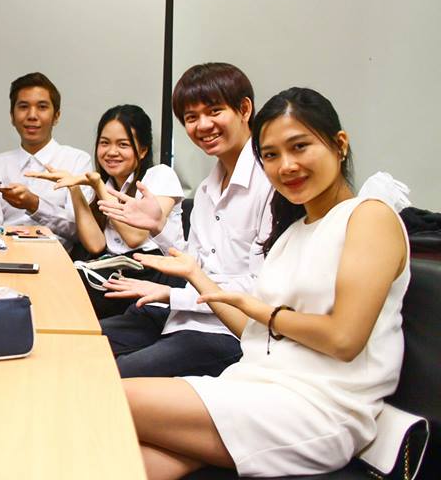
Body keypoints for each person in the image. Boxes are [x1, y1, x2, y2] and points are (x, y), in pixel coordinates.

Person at [123, 87, 410, 479]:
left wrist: (264, 312)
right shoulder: (292, 233)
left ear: (339, 144)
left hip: (317, 408)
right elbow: (255, 335)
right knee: (116, 456)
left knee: (105, 397)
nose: (286, 166)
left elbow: (344, 339)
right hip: (254, 384)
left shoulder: (368, 216)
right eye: (271, 155)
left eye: (299, 147)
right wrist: (197, 276)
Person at [97, 63, 273, 377]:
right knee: (82, 342)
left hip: (226, 332)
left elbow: (260, 287)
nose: (203, 125)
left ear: (245, 109)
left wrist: (172, 294)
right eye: (191, 118)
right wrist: (158, 228)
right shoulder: (207, 188)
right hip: (181, 316)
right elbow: (195, 263)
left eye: (215, 111)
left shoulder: (270, 183)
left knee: (113, 375)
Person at [26, 105, 185, 317]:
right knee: (51, 282)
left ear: (143, 150)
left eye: (123, 144)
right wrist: (74, 188)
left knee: (63, 293)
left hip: (155, 275)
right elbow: (96, 245)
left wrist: (99, 186)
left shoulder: (160, 175)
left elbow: (135, 238)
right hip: (118, 271)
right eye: (104, 143)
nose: (111, 152)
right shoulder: (106, 185)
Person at [0, 72, 93, 248]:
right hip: (5, 256)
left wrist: (35, 205)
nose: (32, 115)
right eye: (23, 107)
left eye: (42, 107)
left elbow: (80, 231)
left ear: (56, 116)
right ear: (12, 116)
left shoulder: (77, 161)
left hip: (57, 258)